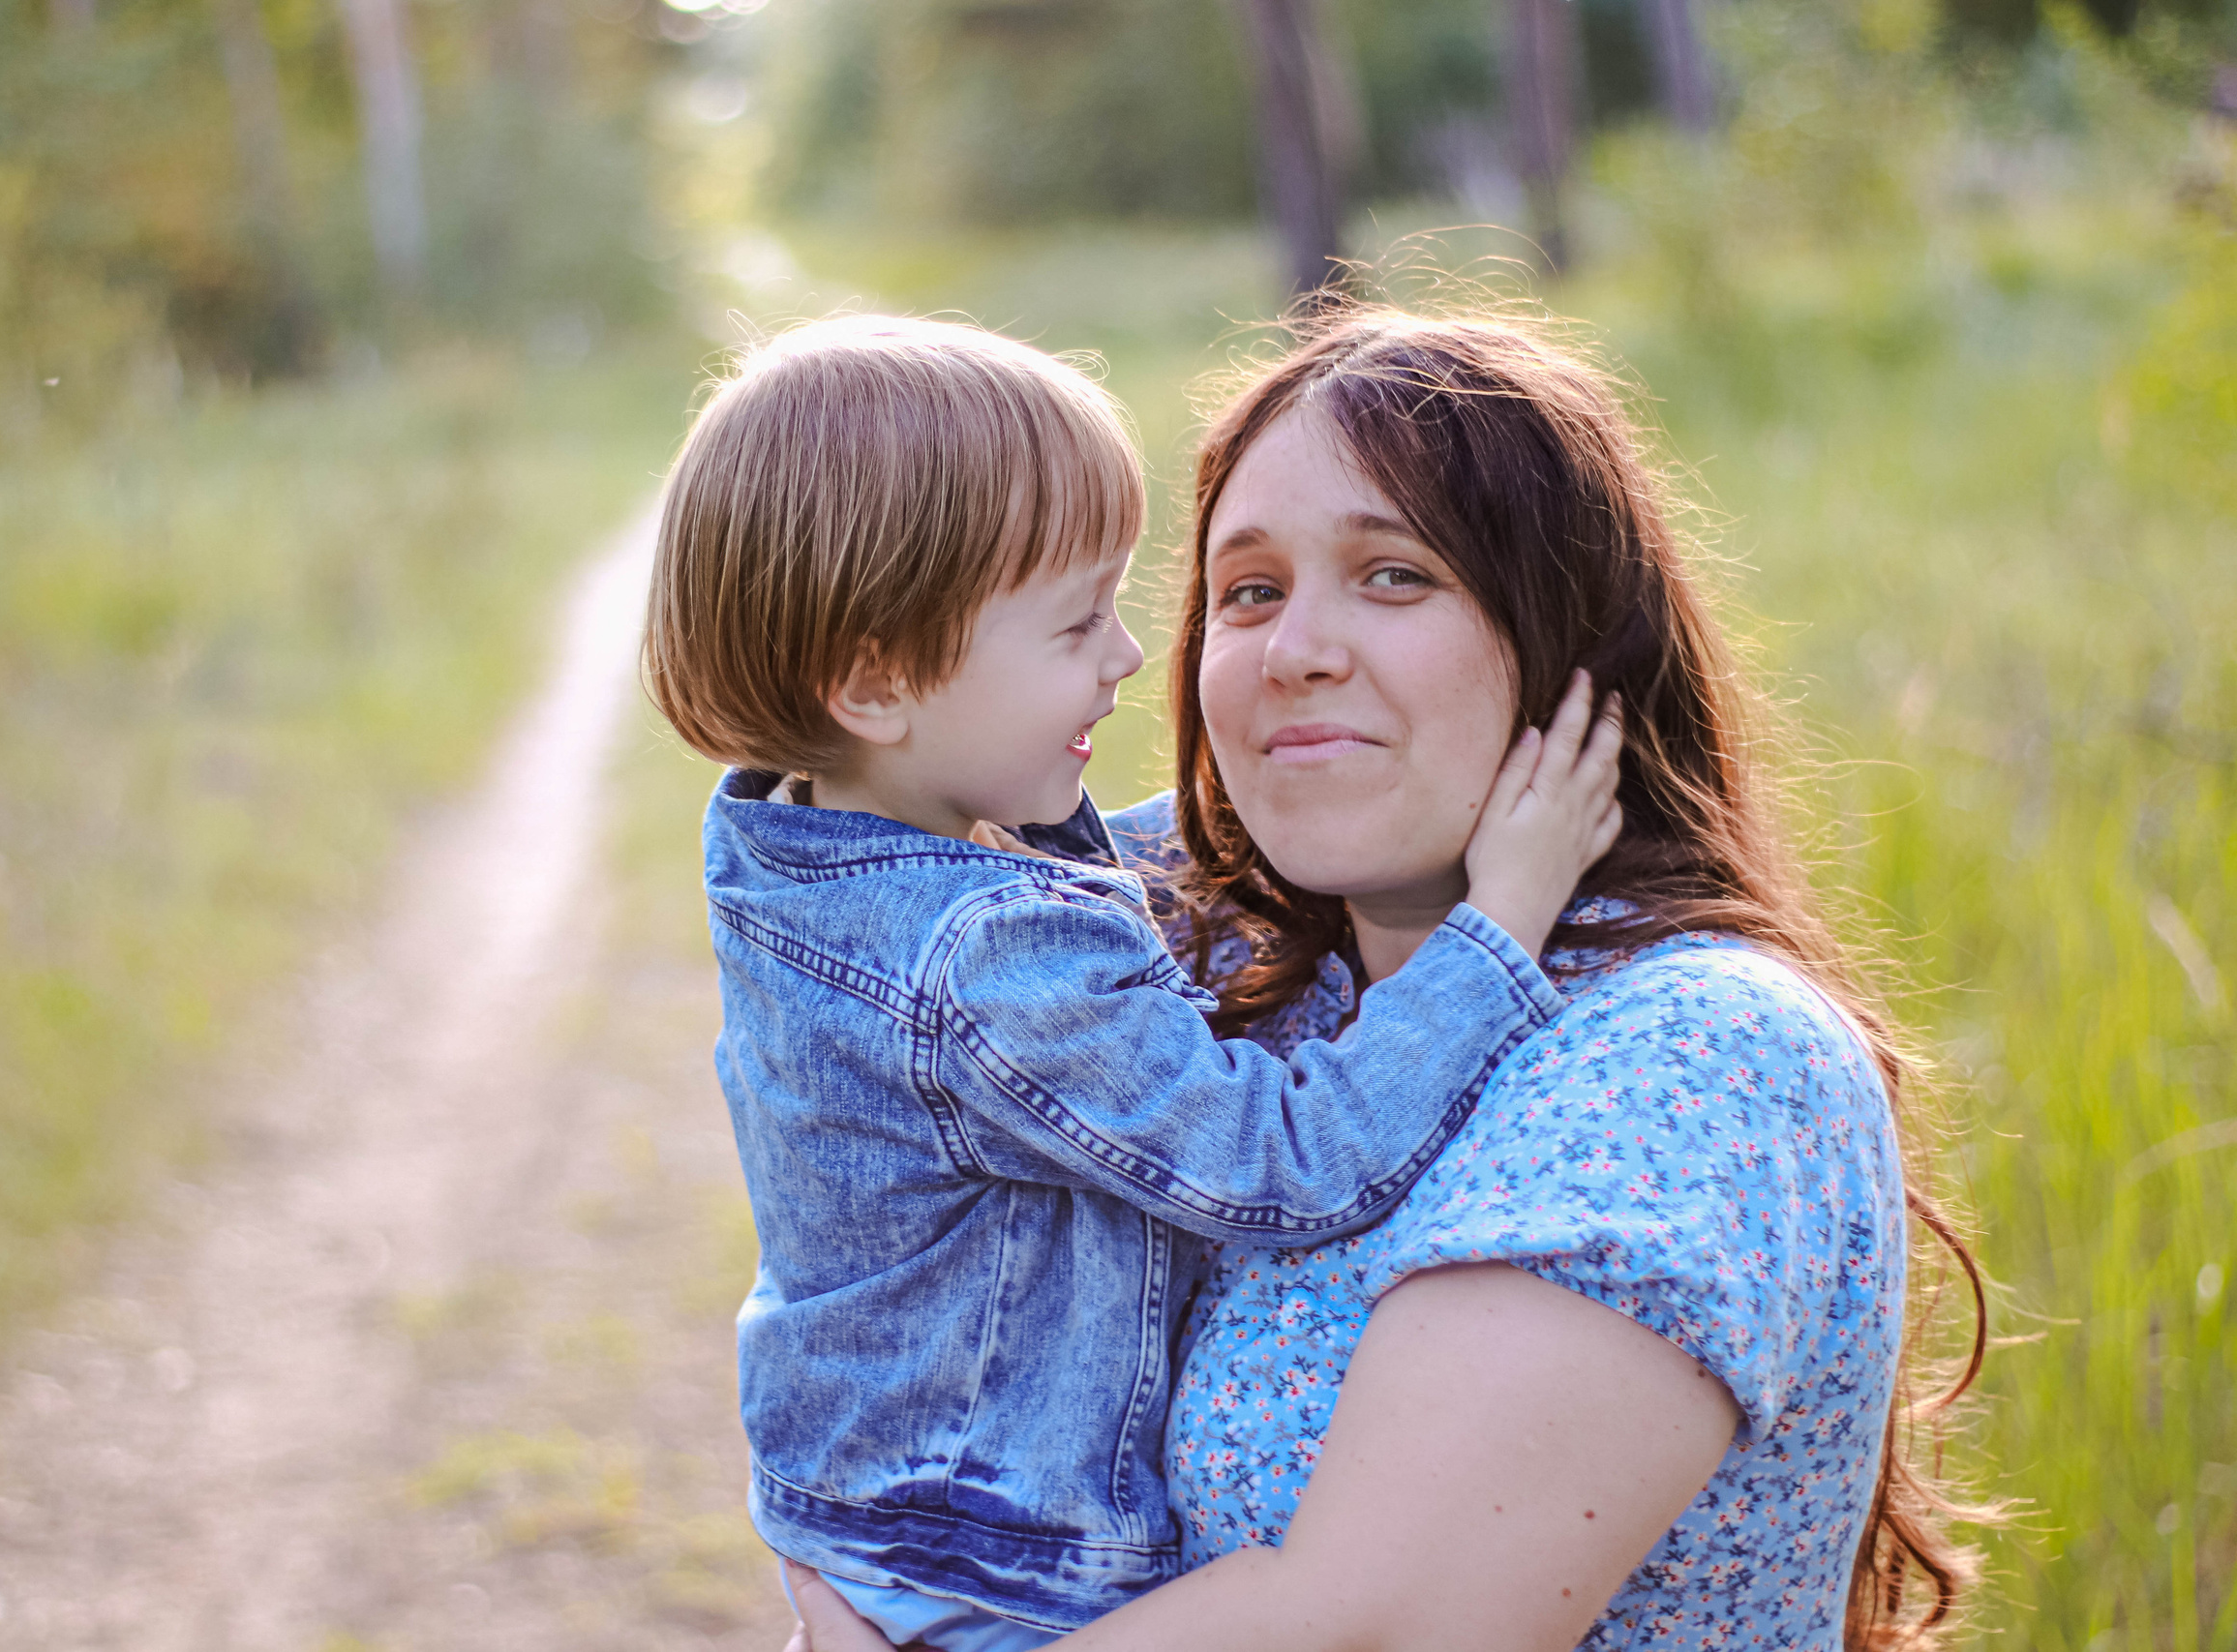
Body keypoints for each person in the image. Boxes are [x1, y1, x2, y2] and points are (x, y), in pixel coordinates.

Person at [782, 309, 1987, 1652]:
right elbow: (884, 1016)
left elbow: (1384, 1628)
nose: (1294, 649)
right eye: (1247, 592)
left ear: (1570, 639)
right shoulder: (1244, 964)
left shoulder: (1695, 1053)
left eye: (1395, 574)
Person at [641, 314, 1625, 1651]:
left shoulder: (794, 843)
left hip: (871, 1528)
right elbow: (1281, 1158)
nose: (1123, 658)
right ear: (875, 680)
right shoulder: (982, 957)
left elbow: (1095, 873)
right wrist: (1501, 929)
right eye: (1074, 625)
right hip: (1002, 1573)